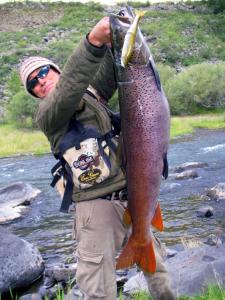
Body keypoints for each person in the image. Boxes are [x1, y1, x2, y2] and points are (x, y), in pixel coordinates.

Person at [19, 16, 175, 300]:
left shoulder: (91, 94)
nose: (41, 81)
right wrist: (92, 41)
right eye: (33, 83)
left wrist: (116, 39)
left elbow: (119, 69)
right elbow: (68, 89)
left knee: (159, 275)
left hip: (134, 196)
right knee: (99, 292)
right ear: (33, 94)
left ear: (55, 69)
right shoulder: (48, 115)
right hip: (94, 209)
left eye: (43, 72)